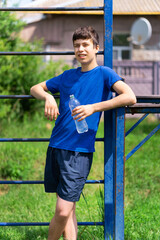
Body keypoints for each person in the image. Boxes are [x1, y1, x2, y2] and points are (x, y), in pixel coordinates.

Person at [30, 26, 136, 240]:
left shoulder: (104, 73)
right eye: (77, 45)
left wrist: (93, 107)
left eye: (85, 44)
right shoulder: (67, 76)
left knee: (62, 210)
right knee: (69, 210)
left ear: (96, 48)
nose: (81, 49)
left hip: (79, 151)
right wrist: (49, 97)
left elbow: (129, 97)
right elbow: (35, 88)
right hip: (56, 146)